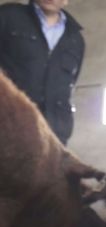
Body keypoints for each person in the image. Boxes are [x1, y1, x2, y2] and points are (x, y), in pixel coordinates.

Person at [0, 0, 84, 145]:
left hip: (53, 134)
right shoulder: (9, 16)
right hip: (8, 127)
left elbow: (70, 85)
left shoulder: (76, 40)